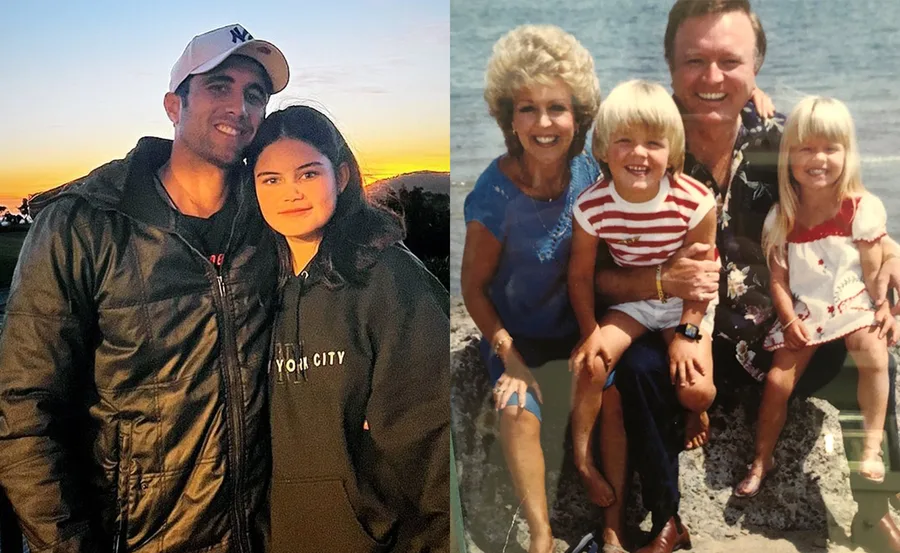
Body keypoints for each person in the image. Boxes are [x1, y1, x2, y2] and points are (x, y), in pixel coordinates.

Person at [594, 2, 900, 552]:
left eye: (730, 62)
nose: (712, 78)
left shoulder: (783, 145)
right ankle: (667, 518)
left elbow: (846, 207)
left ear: (755, 67)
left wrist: (892, 251)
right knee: (636, 368)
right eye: (695, 60)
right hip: (681, 343)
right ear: (669, 66)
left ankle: (875, 508)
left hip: (785, 339)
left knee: (872, 353)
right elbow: (597, 277)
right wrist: (659, 282)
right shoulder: (640, 149)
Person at [0, 24, 288, 552]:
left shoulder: (272, 219)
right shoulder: (84, 224)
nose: (240, 107)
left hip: (262, 536)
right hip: (136, 539)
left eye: (255, 95)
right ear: (174, 106)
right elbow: (23, 412)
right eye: (219, 86)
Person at [247, 105, 450, 553]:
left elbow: (435, 438)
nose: (290, 193)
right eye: (271, 180)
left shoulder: (388, 280)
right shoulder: (252, 290)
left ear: (340, 177)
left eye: (307, 174)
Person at [460, 24, 619, 553]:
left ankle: (611, 519)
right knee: (515, 408)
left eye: (557, 108)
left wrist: (593, 333)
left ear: (579, 116)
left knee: (617, 390)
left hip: (577, 330)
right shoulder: (494, 193)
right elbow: (472, 288)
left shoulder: (591, 174)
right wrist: (510, 358)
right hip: (515, 338)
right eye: (528, 109)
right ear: (509, 118)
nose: (544, 123)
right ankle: (541, 536)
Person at [568, 79, 717, 526]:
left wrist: (687, 332)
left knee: (696, 389)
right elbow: (580, 276)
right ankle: (583, 461)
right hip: (635, 303)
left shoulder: (694, 201)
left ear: (673, 150)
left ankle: (696, 414)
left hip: (684, 304)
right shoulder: (592, 206)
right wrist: (590, 332)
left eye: (654, 143)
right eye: (624, 141)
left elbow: (702, 279)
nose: (639, 154)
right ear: (602, 148)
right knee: (592, 365)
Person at [735, 96, 898, 495]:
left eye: (830, 148)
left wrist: (888, 310)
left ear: (848, 153)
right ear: (788, 156)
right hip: (806, 309)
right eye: (805, 148)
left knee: (874, 354)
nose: (818, 159)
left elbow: (877, 270)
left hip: (851, 300)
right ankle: (762, 458)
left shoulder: (860, 208)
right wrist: (788, 320)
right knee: (778, 382)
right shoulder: (783, 216)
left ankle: (872, 448)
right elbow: (778, 280)